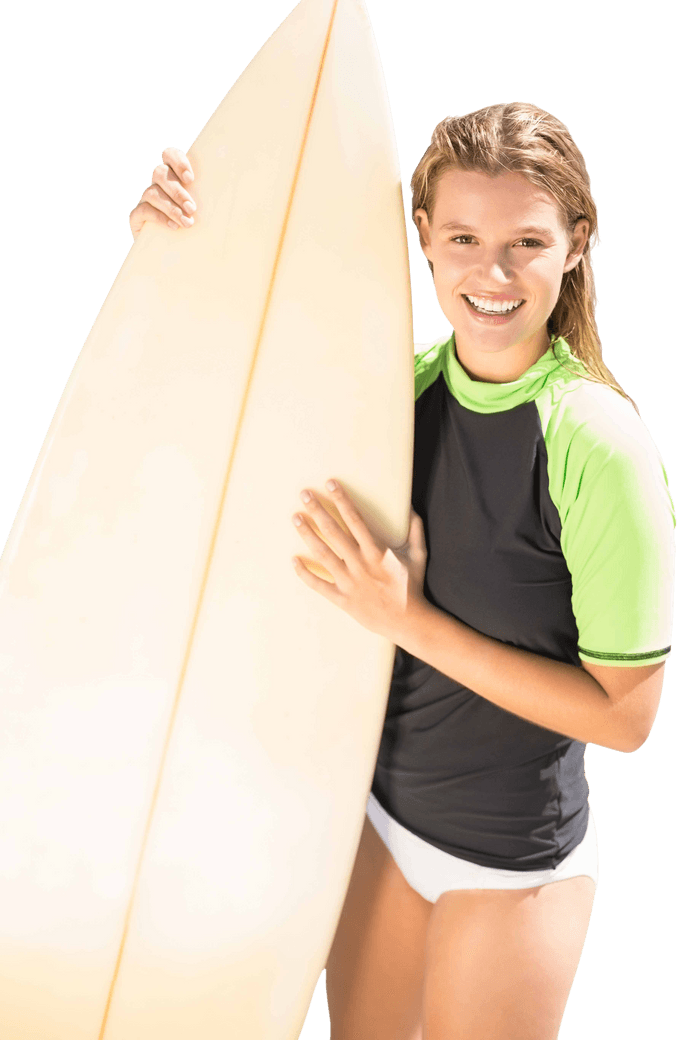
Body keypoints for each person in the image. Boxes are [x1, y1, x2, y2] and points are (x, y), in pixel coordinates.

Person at [129, 102, 675, 1040]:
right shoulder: (395, 387)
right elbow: (239, 373)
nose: (490, 273)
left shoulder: (599, 445)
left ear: (576, 245)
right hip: (380, 825)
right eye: (461, 236)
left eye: (525, 242)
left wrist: (407, 620)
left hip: (511, 864)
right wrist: (175, 245)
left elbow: (626, 716)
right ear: (420, 236)